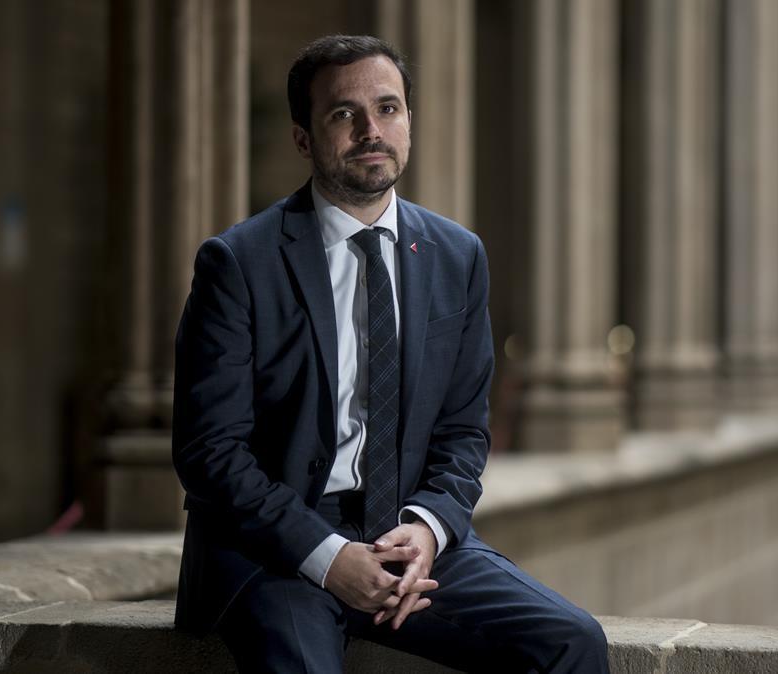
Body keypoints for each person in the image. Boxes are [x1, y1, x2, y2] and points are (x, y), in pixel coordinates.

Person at [172, 34, 609, 673]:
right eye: (344, 114)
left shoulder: (457, 256)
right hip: (278, 548)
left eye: (388, 108)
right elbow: (208, 452)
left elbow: (463, 431)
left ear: (408, 120)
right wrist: (326, 554)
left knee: (573, 641)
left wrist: (430, 527)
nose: (370, 130)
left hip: (408, 534)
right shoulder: (238, 263)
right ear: (304, 138)